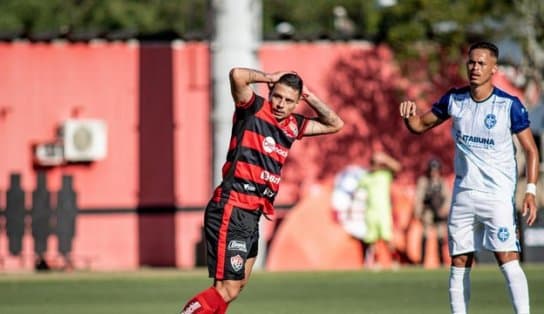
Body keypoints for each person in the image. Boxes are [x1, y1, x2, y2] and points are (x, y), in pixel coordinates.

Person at [180, 67, 344, 314]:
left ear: (297, 102)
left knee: (235, 286)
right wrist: (269, 77)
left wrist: (309, 96)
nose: (280, 104)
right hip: (233, 205)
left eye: (289, 100)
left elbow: (335, 123)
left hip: (253, 213)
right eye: (277, 96)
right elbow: (236, 75)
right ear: (270, 92)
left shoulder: (293, 125)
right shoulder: (253, 108)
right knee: (228, 288)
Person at [400, 41, 539, 314]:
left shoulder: (508, 105)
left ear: (494, 69)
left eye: (482, 63)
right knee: (459, 261)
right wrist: (408, 117)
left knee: (507, 258)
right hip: (463, 195)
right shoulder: (454, 100)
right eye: (471, 62)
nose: (475, 68)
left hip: (496, 197)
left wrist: (531, 190)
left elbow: (531, 150)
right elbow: (419, 125)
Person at [357, 151, 401, 269]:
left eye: (376, 163)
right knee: (372, 240)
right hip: (370, 212)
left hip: (384, 212)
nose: (374, 165)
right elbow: (357, 191)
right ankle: (375, 263)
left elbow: (398, 167)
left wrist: (386, 159)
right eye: (372, 162)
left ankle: (395, 261)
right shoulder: (366, 177)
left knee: (388, 238)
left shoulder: (385, 175)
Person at [413, 158, 451, 266]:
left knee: (440, 236)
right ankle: (422, 261)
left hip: (439, 212)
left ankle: (441, 261)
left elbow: (448, 197)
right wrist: (418, 211)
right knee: (425, 234)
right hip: (428, 211)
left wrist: (444, 209)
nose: (433, 172)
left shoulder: (442, 182)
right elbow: (419, 197)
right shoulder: (424, 181)